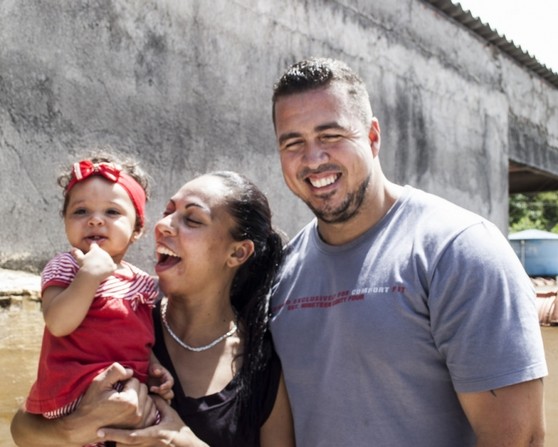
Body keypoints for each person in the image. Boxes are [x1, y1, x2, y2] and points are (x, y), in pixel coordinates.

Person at [269, 57, 547, 446]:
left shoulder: (458, 250)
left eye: (331, 135)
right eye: (293, 142)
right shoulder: (283, 273)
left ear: (372, 137)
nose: (313, 158)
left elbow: (520, 439)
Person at [11, 171, 295, 447]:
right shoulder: (115, 313)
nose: (164, 225)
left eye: (192, 219)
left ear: (237, 253)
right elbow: (22, 429)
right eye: (168, 212)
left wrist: (181, 441)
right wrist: (76, 429)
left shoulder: (260, 363)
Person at [22, 153, 173, 446]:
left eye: (112, 212)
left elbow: (138, 336)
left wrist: (154, 368)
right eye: (80, 212)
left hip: (129, 394)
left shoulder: (142, 283)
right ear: (65, 222)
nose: (94, 220)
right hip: (74, 397)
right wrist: (89, 277)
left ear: (137, 230)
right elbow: (58, 323)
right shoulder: (67, 267)